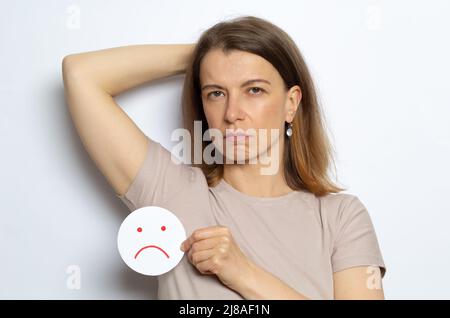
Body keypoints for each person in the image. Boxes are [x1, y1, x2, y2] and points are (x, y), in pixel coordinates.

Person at [62, 15, 386, 300]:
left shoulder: (341, 217)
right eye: (216, 93)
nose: (232, 113)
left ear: (291, 103)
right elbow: (80, 74)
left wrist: (243, 274)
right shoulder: (172, 190)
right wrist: (206, 53)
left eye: (254, 89)